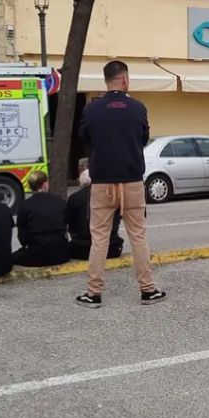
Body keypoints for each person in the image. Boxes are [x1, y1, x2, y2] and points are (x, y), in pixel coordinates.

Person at [75, 60, 165, 308]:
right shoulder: (138, 108)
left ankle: (93, 293)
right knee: (138, 237)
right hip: (132, 182)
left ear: (106, 80)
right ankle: (148, 290)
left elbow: (85, 137)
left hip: (102, 183)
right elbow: (144, 138)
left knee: (99, 238)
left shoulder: (92, 110)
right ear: (125, 79)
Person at [66, 159, 124, 261]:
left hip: (81, 249)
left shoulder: (73, 199)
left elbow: (70, 223)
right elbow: (117, 219)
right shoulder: (109, 195)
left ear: (81, 183)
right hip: (111, 248)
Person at [13, 170, 70, 267]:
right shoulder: (60, 202)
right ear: (45, 184)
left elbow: (22, 236)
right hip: (60, 254)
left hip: (36, 255)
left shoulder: (25, 206)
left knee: (15, 256)